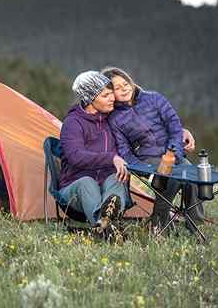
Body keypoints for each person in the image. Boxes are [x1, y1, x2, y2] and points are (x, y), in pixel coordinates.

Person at [101, 67, 204, 231]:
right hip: (146, 159)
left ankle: (195, 224)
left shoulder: (153, 98)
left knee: (190, 175)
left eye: (125, 83)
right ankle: (160, 222)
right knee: (173, 177)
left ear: (131, 81)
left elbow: (174, 126)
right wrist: (141, 167)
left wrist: (173, 153)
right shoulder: (114, 118)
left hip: (172, 153)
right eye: (117, 87)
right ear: (111, 93)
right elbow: (124, 150)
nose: (124, 88)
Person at [59, 71, 130, 236]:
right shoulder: (73, 123)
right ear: (90, 99)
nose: (112, 98)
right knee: (87, 182)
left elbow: (141, 123)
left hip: (106, 186)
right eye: (106, 95)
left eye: (112, 94)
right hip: (76, 190)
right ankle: (107, 227)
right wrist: (111, 158)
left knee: (116, 178)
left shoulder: (111, 119)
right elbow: (75, 156)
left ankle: (104, 225)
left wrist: (178, 132)